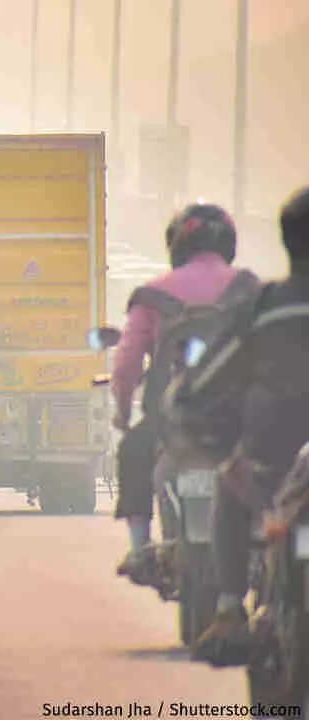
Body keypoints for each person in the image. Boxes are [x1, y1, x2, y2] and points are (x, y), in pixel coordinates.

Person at [177, 187, 309, 665]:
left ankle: (230, 608)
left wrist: (216, 446)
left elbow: (202, 388)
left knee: (228, 485)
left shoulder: (263, 307)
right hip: (276, 473)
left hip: (268, 465)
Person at [109, 202, 259, 580]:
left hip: (170, 419)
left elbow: (126, 365)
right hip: (239, 417)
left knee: (133, 451)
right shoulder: (249, 287)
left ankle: (140, 546)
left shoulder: (152, 295)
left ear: (176, 244)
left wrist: (123, 413)